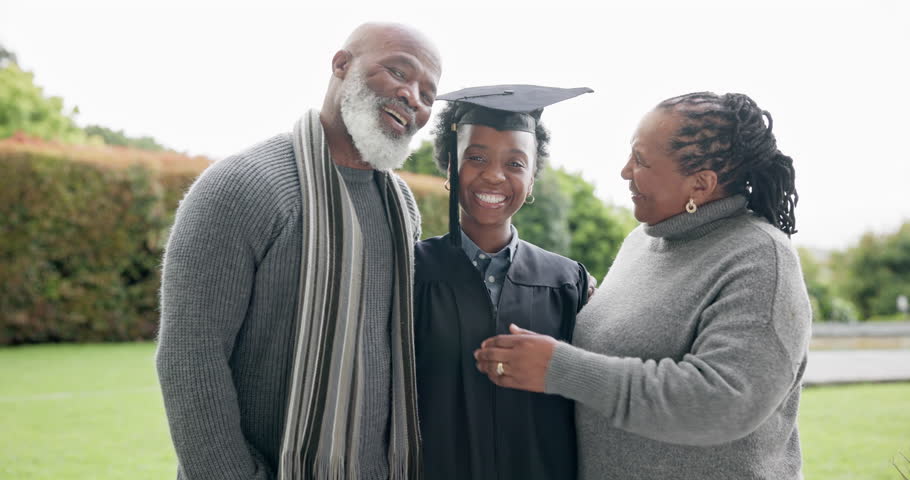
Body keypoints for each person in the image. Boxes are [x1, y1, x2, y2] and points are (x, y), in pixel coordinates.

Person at [155, 23, 441, 480]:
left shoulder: (401, 205)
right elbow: (191, 355)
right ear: (341, 65)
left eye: (428, 93)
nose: (413, 98)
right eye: (398, 72)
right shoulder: (242, 185)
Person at [475, 92, 812, 479]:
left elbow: (721, 402)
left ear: (700, 185)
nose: (624, 171)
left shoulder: (760, 258)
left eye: (642, 160)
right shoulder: (645, 240)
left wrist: (559, 368)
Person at [413, 85, 592, 480]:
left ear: (531, 181)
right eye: (476, 158)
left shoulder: (566, 282)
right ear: (450, 168)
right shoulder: (410, 273)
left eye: (515, 163)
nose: (494, 175)